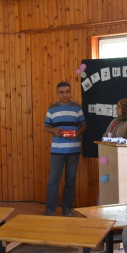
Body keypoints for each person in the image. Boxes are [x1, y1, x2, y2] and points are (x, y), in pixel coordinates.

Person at [44, 82, 86, 217]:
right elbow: (46, 127)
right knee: (53, 181)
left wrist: (77, 134)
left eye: (67, 91)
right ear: (57, 93)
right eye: (61, 92)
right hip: (57, 150)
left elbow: (84, 125)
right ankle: (50, 209)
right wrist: (53, 130)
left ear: (70, 92)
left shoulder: (77, 108)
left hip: (73, 150)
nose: (64, 94)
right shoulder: (52, 108)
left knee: (70, 181)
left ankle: (66, 208)